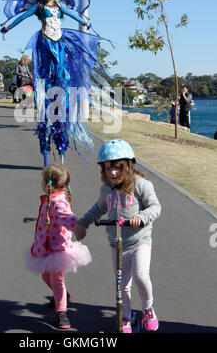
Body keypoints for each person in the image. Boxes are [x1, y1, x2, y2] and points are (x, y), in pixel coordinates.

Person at [0, 0, 112, 160]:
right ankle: (47, 91)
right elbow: (23, 17)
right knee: (47, 74)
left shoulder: (59, 7)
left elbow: (74, 14)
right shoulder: (39, 7)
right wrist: (8, 27)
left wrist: (85, 21)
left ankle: (61, 93)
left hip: (59, 43)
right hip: (45, 44)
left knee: (62, 75)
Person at [74, 139, 161, 333]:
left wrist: (142, 217)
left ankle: (148, 308)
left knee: (141, 276)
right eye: (107, 169)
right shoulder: (106, 189)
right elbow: (98, 208)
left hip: (140, 241)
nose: (112, 173)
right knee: (122, 283)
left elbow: (156, 207)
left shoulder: (141, 185)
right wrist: (83, 223)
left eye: (117, 168)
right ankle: (125, 317)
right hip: (116, 243)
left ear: (129, 166)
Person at [24, 164, 91, 329]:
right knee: (46, 277)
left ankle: (62, 313)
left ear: (48, 184)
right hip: (46, 246)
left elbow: (68, 217)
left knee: (56, 279)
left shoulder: (57, 201)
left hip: (58, 250)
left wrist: (78, 227)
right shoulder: (51, 197)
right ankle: (62, 296)